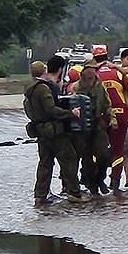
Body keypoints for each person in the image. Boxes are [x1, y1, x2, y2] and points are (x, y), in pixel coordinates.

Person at [24, 60, 85, 204]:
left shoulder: (29, 88)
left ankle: (40, 195)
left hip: (40, 130)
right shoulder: (43, 88)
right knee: (69, 158)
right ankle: (74, 193)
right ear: (43, 71)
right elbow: (51, 109)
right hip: (53, 130)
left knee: (45, 163)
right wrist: (71, 113)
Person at [91, 44, 128, 191]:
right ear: (107, 57)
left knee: (96, 148)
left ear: (94, 58)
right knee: (118, 149)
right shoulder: (117, 72)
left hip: (99, 115)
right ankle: (115, 181)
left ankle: (96, 179)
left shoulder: (91, 74)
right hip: (120, 114)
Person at [69, 60, 113, 195]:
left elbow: (107, 103)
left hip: (98, 123)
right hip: (83, 126)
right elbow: (72, 105)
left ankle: (100, 180)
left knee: (104, 155)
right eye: (89, 69)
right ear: (84, 70)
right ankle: (92, 184)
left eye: (94, 69)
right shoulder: (77, 87)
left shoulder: (100, 86)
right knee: (86, 158)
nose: (91, 71)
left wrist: (112, 117)